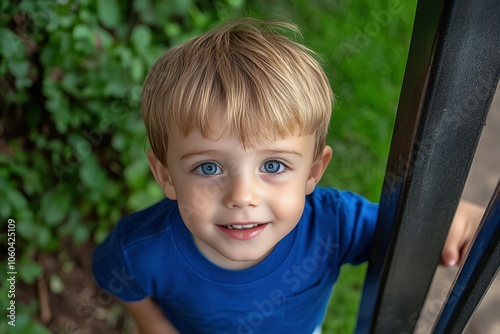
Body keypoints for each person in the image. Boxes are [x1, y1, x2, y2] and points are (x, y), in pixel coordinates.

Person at [92, 18, 484, 334]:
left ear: (314, 171)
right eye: (208, 167)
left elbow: (406, 232)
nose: (242, 196)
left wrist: (449, 217)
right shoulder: (140, 249)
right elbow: (116, 276)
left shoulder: (334, 225)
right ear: (165, 175)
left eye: (273, 165)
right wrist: (152, 324)